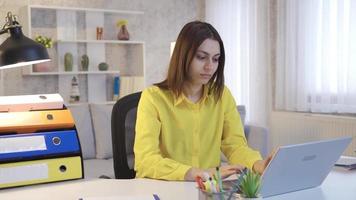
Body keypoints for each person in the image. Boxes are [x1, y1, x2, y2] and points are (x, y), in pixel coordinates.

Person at [134, 21, 272, 181]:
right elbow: (145, 160)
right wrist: (195, 173)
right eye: (201, 57)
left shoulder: (222, 95)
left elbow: (235, 146)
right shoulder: (153, 98)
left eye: (215, 59)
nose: (210, 67)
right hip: (165, 187)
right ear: (183, 56)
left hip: (208, 189)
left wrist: (258, 164)